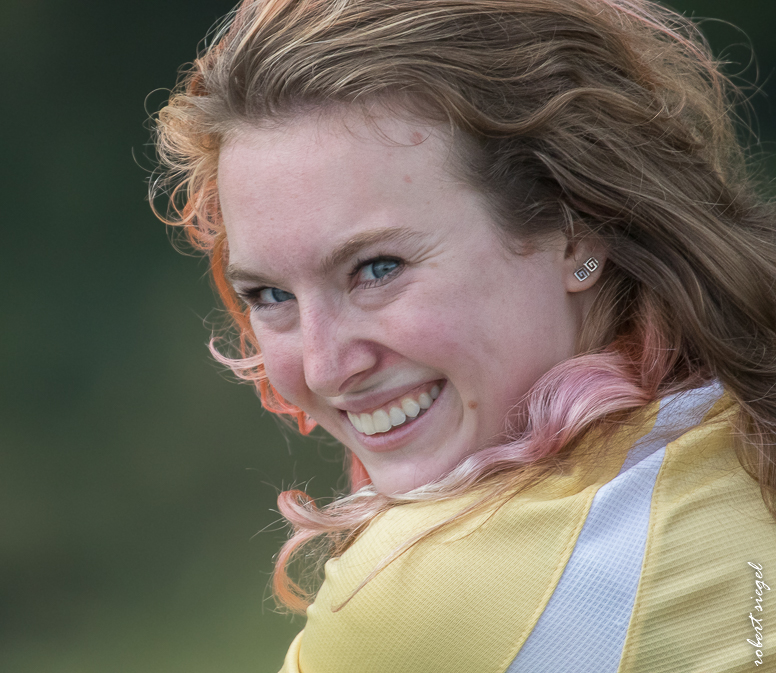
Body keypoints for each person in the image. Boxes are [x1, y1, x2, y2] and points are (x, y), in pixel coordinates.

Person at [151, 0, 776, 670]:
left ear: (576, 231)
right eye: (271, 296)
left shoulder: (427, 591)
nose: (324, 366)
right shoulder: (736, 423)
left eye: (377, 269)